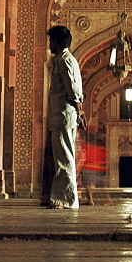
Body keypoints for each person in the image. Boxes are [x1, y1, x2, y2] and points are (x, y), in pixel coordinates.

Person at [46, 24, 83, 209]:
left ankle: (66, 200)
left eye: (51, 40)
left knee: (65, 158)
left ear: (58, 42)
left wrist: (79, 109)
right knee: (63, 158)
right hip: (60, 115)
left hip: (64, 115)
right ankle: (63, 198)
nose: (49, 44)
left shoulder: (65, 60)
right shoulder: (62, 59)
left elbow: (72, 87)